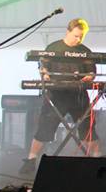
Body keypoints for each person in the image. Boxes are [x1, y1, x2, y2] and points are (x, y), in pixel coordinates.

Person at [20, 19, 97, 174]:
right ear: (68, 31)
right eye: (76, 36)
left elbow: (91, 72)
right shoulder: (53, 48)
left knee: (87, 127)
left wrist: (89, 77)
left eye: (81, 36)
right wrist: (45, 75)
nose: (78, 39)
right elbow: (44, 67)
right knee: (45, 127)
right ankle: (31, 159)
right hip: (56, 94)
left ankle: (98, 159)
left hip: (78, 95)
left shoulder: (85, 51)